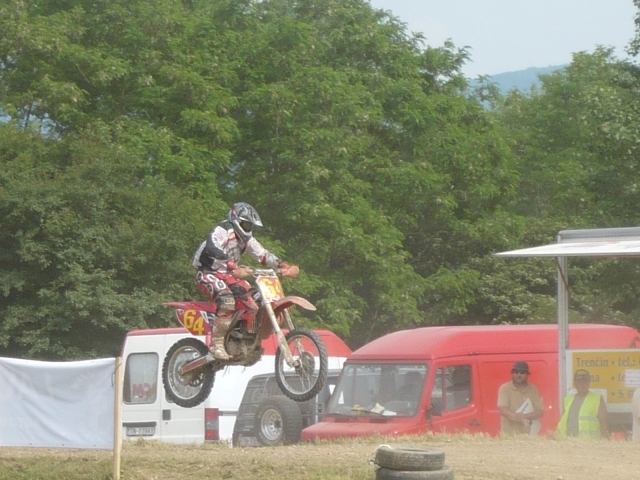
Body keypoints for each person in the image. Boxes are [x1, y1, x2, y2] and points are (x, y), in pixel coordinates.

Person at [192, 202, 298, 360]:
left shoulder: (246, 239)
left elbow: (262, 254)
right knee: (226, 300)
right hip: (208, 272)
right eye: (246, 224)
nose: (248, 228)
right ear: (236, 219)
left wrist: (283, 265)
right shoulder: (223, 230)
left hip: (229, 275)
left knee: (254, 300)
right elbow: (212, 246)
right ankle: (217, 344)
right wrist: (231, 264)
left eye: (250, 225)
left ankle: (243, 338)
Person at [556, 369, 609, 439]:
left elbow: (604, 424)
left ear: (589, 383)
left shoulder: (597, 399)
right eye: (579, 381)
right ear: (575, 383)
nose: (582, 384)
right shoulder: (567, 399)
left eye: (585, 381)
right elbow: (563, 422)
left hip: (589, 443)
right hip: (568, 442)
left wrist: (603, 441)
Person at [497, 361, 544, 435]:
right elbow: (503, 410)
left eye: (522, 372)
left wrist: (526, 416)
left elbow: (540, 411)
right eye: (516, 372)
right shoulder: (505, 388)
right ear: (512, 373)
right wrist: (523, 420)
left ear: (527, 374)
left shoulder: (533, 389)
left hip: (530, 435)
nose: (519, 375)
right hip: (509, 435)